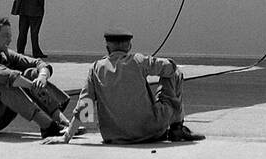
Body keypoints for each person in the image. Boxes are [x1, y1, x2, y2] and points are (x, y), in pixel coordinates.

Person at [61, 31, 203, 144]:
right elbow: (170, 68)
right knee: (175, 72)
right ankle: (177, 128)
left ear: (107, 47)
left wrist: (66, 137)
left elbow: (85, 107)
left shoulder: (95, 69)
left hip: (113, 136)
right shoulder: (138, 60)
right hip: (148, 130)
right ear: (129, 46)